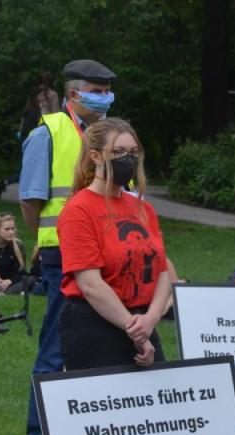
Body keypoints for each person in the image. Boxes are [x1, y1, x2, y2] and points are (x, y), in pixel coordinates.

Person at [19, 59, 116, 435]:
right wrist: (43, 240)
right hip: (62, 250)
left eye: (108, 90)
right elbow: (30, 198)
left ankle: (91, 424)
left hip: (104, 247)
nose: (105, 96)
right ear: (74, 94)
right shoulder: (50, 132)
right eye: (98, 89)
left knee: (100, 339)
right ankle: (40, 434)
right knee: (57, 340)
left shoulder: (108, 134)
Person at [57, 118, 170, 371]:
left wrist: (150, 320)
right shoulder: (79, 210)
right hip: (93, 325)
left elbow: (162, 269)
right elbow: (90, 284)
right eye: (118, 152)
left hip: (140, 321)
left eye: (132, 153)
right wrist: (135, 329)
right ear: (96, 156)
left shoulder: (144, 209)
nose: (127, 160)